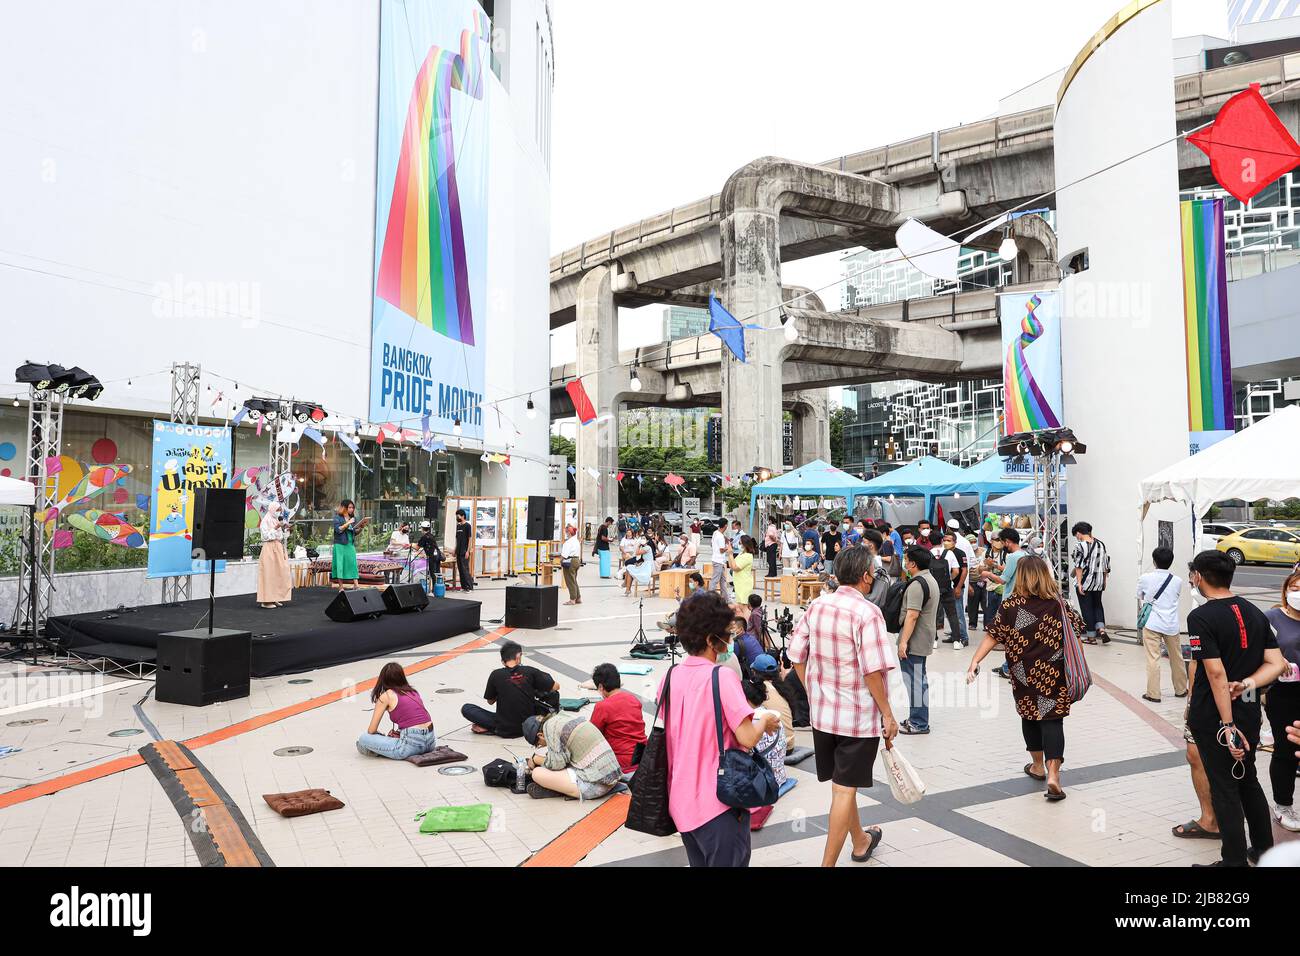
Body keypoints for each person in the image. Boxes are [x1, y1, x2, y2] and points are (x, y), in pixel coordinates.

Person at [789, 547, 897, 866]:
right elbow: (873, 671)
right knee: (843, 791)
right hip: (857, 719)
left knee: (842, 786)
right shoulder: (867, 613)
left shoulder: (819, 604)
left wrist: (813, 689)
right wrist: (888, 715)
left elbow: (796, 655)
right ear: (865, 577)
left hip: (824, 717)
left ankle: (861, 840)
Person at [656, 590, 780, 867]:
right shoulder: (722, 677)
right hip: (719, 803)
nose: (730, 639)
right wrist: (764, 720)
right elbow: (747, 736)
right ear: (712, 640)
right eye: (726, 633)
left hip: (681, 803)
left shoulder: (669, 676)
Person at [1184, 550, 1287, 867]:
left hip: (1215, 716)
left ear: (1199, 577)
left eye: (1192, 575)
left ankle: (1233, 862)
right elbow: (1277, 664)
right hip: (1248, 709)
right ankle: (1263, 851)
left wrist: (1226, 725)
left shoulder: (1200, 617)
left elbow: (1215, 673)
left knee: (1224, 788)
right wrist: (1247, 684)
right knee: (1247, 779)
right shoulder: (1254, 612)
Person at [967, 556, 1086, 801]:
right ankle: (1054, 775)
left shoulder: (1011, 605)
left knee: (1029, 715)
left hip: (1023, 672)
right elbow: (1076, 635)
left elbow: (993, 635)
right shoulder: (1058, 604)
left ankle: (1037, 766)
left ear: (1020, 576)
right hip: (1054, 672)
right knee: (1053, 721)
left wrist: (975, 660)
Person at [1263, 570, 1300, 832]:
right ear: (1286, 590)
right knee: (1287, 750)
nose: (1298, 592)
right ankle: (1283, 804)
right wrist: (1279, 662)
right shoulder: (1272, 617)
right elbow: (1258, 651)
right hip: (1284, 693)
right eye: (1295, 587)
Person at [460, 641, 559, 738]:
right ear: (519, 656)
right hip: (529, 725)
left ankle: (489, 728)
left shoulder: (496, 674)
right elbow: (556, 687)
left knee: (467, 708)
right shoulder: (530, 671)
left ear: (503, 661)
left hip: (503, 727)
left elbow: (490, 701)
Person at [521, 712, 623, 801]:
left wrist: (535, 760)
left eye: (539, 744)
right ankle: (560, 788)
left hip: (597, 786)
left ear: (540, 735)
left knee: (537, 773)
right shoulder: (562, 717)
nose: (543, 746)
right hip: (612, 778)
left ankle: (560, 790)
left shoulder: (549, 728)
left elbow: (557, 765)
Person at [897, 546, 940, 735]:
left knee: (914, 682)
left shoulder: (917, 584)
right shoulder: (930, 579)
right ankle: (917, 717)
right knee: (917, 680)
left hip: (915, 640)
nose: (905, 564)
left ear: (913, 563)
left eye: (906, 560)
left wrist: (903, 642)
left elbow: (912, 615)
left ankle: (919, 723)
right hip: (924, 637)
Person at [1137, 546, 1187, 703]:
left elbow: (1139, 595)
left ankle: (1154, 693)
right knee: (1177, 658)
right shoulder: (1177, 581)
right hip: (1171, 624)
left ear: (1154, 561)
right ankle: (1181, 689)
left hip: (1152, 623)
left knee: (1153, 658)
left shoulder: (1145, 578)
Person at [356, 662, 437, 759]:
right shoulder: (413, 692)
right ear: (402, 677)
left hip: (408, 746)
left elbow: (371, 730)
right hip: (430, 743)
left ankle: (378, 751)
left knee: (363, 739)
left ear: (383, 679)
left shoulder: (386, 696)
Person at [588, 663, 647, 775]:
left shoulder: (603, 706)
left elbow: (592, 736)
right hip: (642, 758)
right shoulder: (633, 699)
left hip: (620, 763)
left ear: (601, 687)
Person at [983, 528, 1025, 678]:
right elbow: (1009, 571)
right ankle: (1007, 666)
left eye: (1003, 542)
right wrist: (996, 566)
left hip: (1010, 600)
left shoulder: (1013, 557)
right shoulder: (1025, 555)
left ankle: (1008, 668)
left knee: (1010, 637)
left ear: (1007, 541)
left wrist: (988, 574)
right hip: (1022, 598)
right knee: (1016, 636)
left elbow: (1003, 579)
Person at [742, 674, 788, 789]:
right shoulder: (772, 715)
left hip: (762, 783)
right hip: (779, 777)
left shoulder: (749, 722)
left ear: (745, 698)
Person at [1071, 521, 1111, 644]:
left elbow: (1079, 566)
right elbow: (1106, 565)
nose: (1077, 537)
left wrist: (1079, 583)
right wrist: (1104, 581)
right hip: (1098, 582)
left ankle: (1091, 637)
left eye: (1076, 535)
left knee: (1086, 608)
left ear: (1078, 533)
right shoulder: (1101, 544)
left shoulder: (1080, 545)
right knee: (1098, 605)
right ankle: (1102, 629)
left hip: (1085, 582)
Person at [749, 654, 797, 753]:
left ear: (754, 672)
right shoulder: (781, 688)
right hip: (789, 744)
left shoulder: (758, 690)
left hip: (777, 747)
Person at [935, 532, 969, 647]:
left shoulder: (960, 553)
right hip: (946, 588)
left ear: (955, 542)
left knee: (958, 614)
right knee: (950, 614)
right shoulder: (942, 553)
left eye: (949, 540)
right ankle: (955, 635)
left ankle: (964, 637)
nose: (946, 542)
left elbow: (964, 571)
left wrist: (958, 587)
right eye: (945, 540)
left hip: (956, 587)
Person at [256, 504, 292, 608]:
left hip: (278, 548)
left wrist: (286, 529)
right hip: (269, 548)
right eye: (277, 510)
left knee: (279, 573)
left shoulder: (276, 520)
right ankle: (266, 601)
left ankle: (275, 597)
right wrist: (276, 527)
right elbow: (265, 536)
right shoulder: (265, 521)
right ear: (272, 509)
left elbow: (281, 536)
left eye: (280, 510)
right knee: (269, 574)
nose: (279, 512)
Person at [331, 499, 362, 589]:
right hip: (340, 544)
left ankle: (356, 584)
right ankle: (341, 587)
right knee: (340, 564)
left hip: (349, 544)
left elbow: (354, 532)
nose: (351, 509)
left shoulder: (352, 518)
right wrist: (348, 523)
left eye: (353, 507)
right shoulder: (337, 517)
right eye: (349, 507)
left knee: (352, 563)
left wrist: (361, 528)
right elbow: (338, 529)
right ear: (344, 508)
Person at [622, 530, 653, 595]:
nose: (642, 540)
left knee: (629, 568)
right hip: (645, 565)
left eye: (644, 539)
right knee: (629, 567)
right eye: (642, 538)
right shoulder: (644, 547)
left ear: (647, 541)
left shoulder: (647, 547)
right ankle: (627, 589)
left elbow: (637, 553)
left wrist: (639, 545)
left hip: (647, 567)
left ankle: (627, 588)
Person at [708, 521, 733, 602]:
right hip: (718, 561)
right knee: (714, 581)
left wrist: (726, 539)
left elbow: (712, 544)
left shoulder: (716, 533)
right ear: (725, 525)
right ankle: (709, 599)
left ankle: (726, 599)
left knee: (723, 581)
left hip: (718, 561)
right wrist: (728, 547)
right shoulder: (720, 537)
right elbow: (722, 550)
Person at [415, 520, 443, 589]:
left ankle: (434, 589)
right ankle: (438, 588)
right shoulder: (431, 535)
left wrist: (410, 544)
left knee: (433, 573)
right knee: (437, 572)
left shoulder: (424, 537)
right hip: (437, 556)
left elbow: (417, 548)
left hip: (432, 557)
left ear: (422, 528)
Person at [967, 535, 987, 631]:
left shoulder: (983, 551)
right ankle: (972, 624)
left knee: (986, 604)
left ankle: (987, 625)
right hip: (972, 582)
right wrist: (968, 585)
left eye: (974, 541)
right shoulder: (966, 553)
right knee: (972, 605)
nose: (973, 544)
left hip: (984, 581)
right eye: (971, 542)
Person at [730, 535, 757, 603]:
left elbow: (735, 568)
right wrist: (729, 554)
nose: (739, 545)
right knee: (739, 605)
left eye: (740, 543)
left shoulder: (748, 556)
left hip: (744, 583)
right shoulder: (741, 553)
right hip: (738, 583)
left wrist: (730, 554)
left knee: (743, 606)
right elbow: (731, 565)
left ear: (745, 544)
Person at [560, 523, 582, 605]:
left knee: (570, 581)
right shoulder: (576, 541)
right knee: (574, 580)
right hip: (577, 560)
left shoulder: (568, 542)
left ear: (569, 533)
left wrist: (560, 561)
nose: (565, 533)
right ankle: (578, 598)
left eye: (566, 532)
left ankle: (572, 599)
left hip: (570, 561)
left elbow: (564, 555)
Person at [453, 508, 474, 591]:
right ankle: (463, 586)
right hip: (458, 551)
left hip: (464, 551)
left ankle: (469, 587)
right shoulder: (458, 526)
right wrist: (455, 550)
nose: (457, 518)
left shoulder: (467, 526)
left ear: (463, 516)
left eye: (458, 516)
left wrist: (468, 551)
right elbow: (457, 539)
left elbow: (470, 539)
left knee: (465, 569)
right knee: (460, 570)